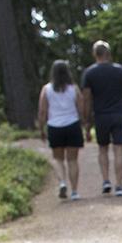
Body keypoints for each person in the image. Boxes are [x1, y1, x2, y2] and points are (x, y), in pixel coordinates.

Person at [79, 40, 122, 196]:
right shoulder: (120, 71)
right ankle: (119, 185)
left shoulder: (89, 73)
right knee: (119, 150)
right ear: (108, 54)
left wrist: (85, 120)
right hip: (118, 114)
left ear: (95, 54)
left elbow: (86, 99)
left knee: (103, 148)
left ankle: (106, 180)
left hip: (101, 116)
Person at [37, 60, 88, 200]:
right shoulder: (74, 88)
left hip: (54, 126)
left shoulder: (46, 89)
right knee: (73, 160)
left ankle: (62, 182)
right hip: (72, 125)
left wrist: (42, 129)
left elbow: (42, 111)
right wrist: (84, 123)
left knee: (58, 159)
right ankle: (75, 191)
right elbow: (80, 107)